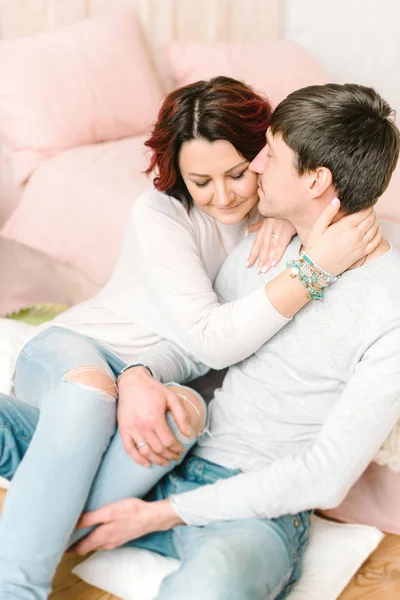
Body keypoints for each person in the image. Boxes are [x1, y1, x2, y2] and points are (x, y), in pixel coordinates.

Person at [0, 77, 379, 600]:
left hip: (181, 418)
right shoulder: (167, 216)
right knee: (90, 398)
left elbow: (347, 195)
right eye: (201, 180)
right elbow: (207, 342)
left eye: (243, 171)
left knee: (171, 420)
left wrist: (293, 227)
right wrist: (136, 375)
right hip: (88, 354)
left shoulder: (280, 231)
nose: (223, 195)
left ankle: (61, 524)